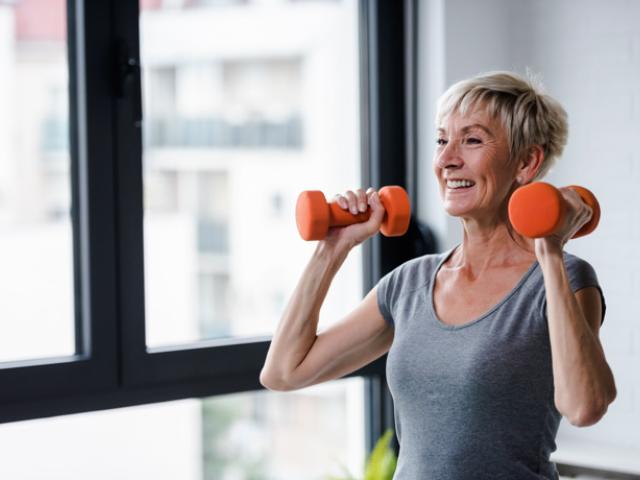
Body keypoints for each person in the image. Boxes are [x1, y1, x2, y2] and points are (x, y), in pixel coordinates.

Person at [259, 71, 617, 479]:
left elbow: (585, 406)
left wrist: (549, 250)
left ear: (526, 162)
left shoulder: (563, 279)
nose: (447, 159)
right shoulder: (409, 284)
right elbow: (284, 372)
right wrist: (332, 249)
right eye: (442, 140)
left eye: (473, 139)